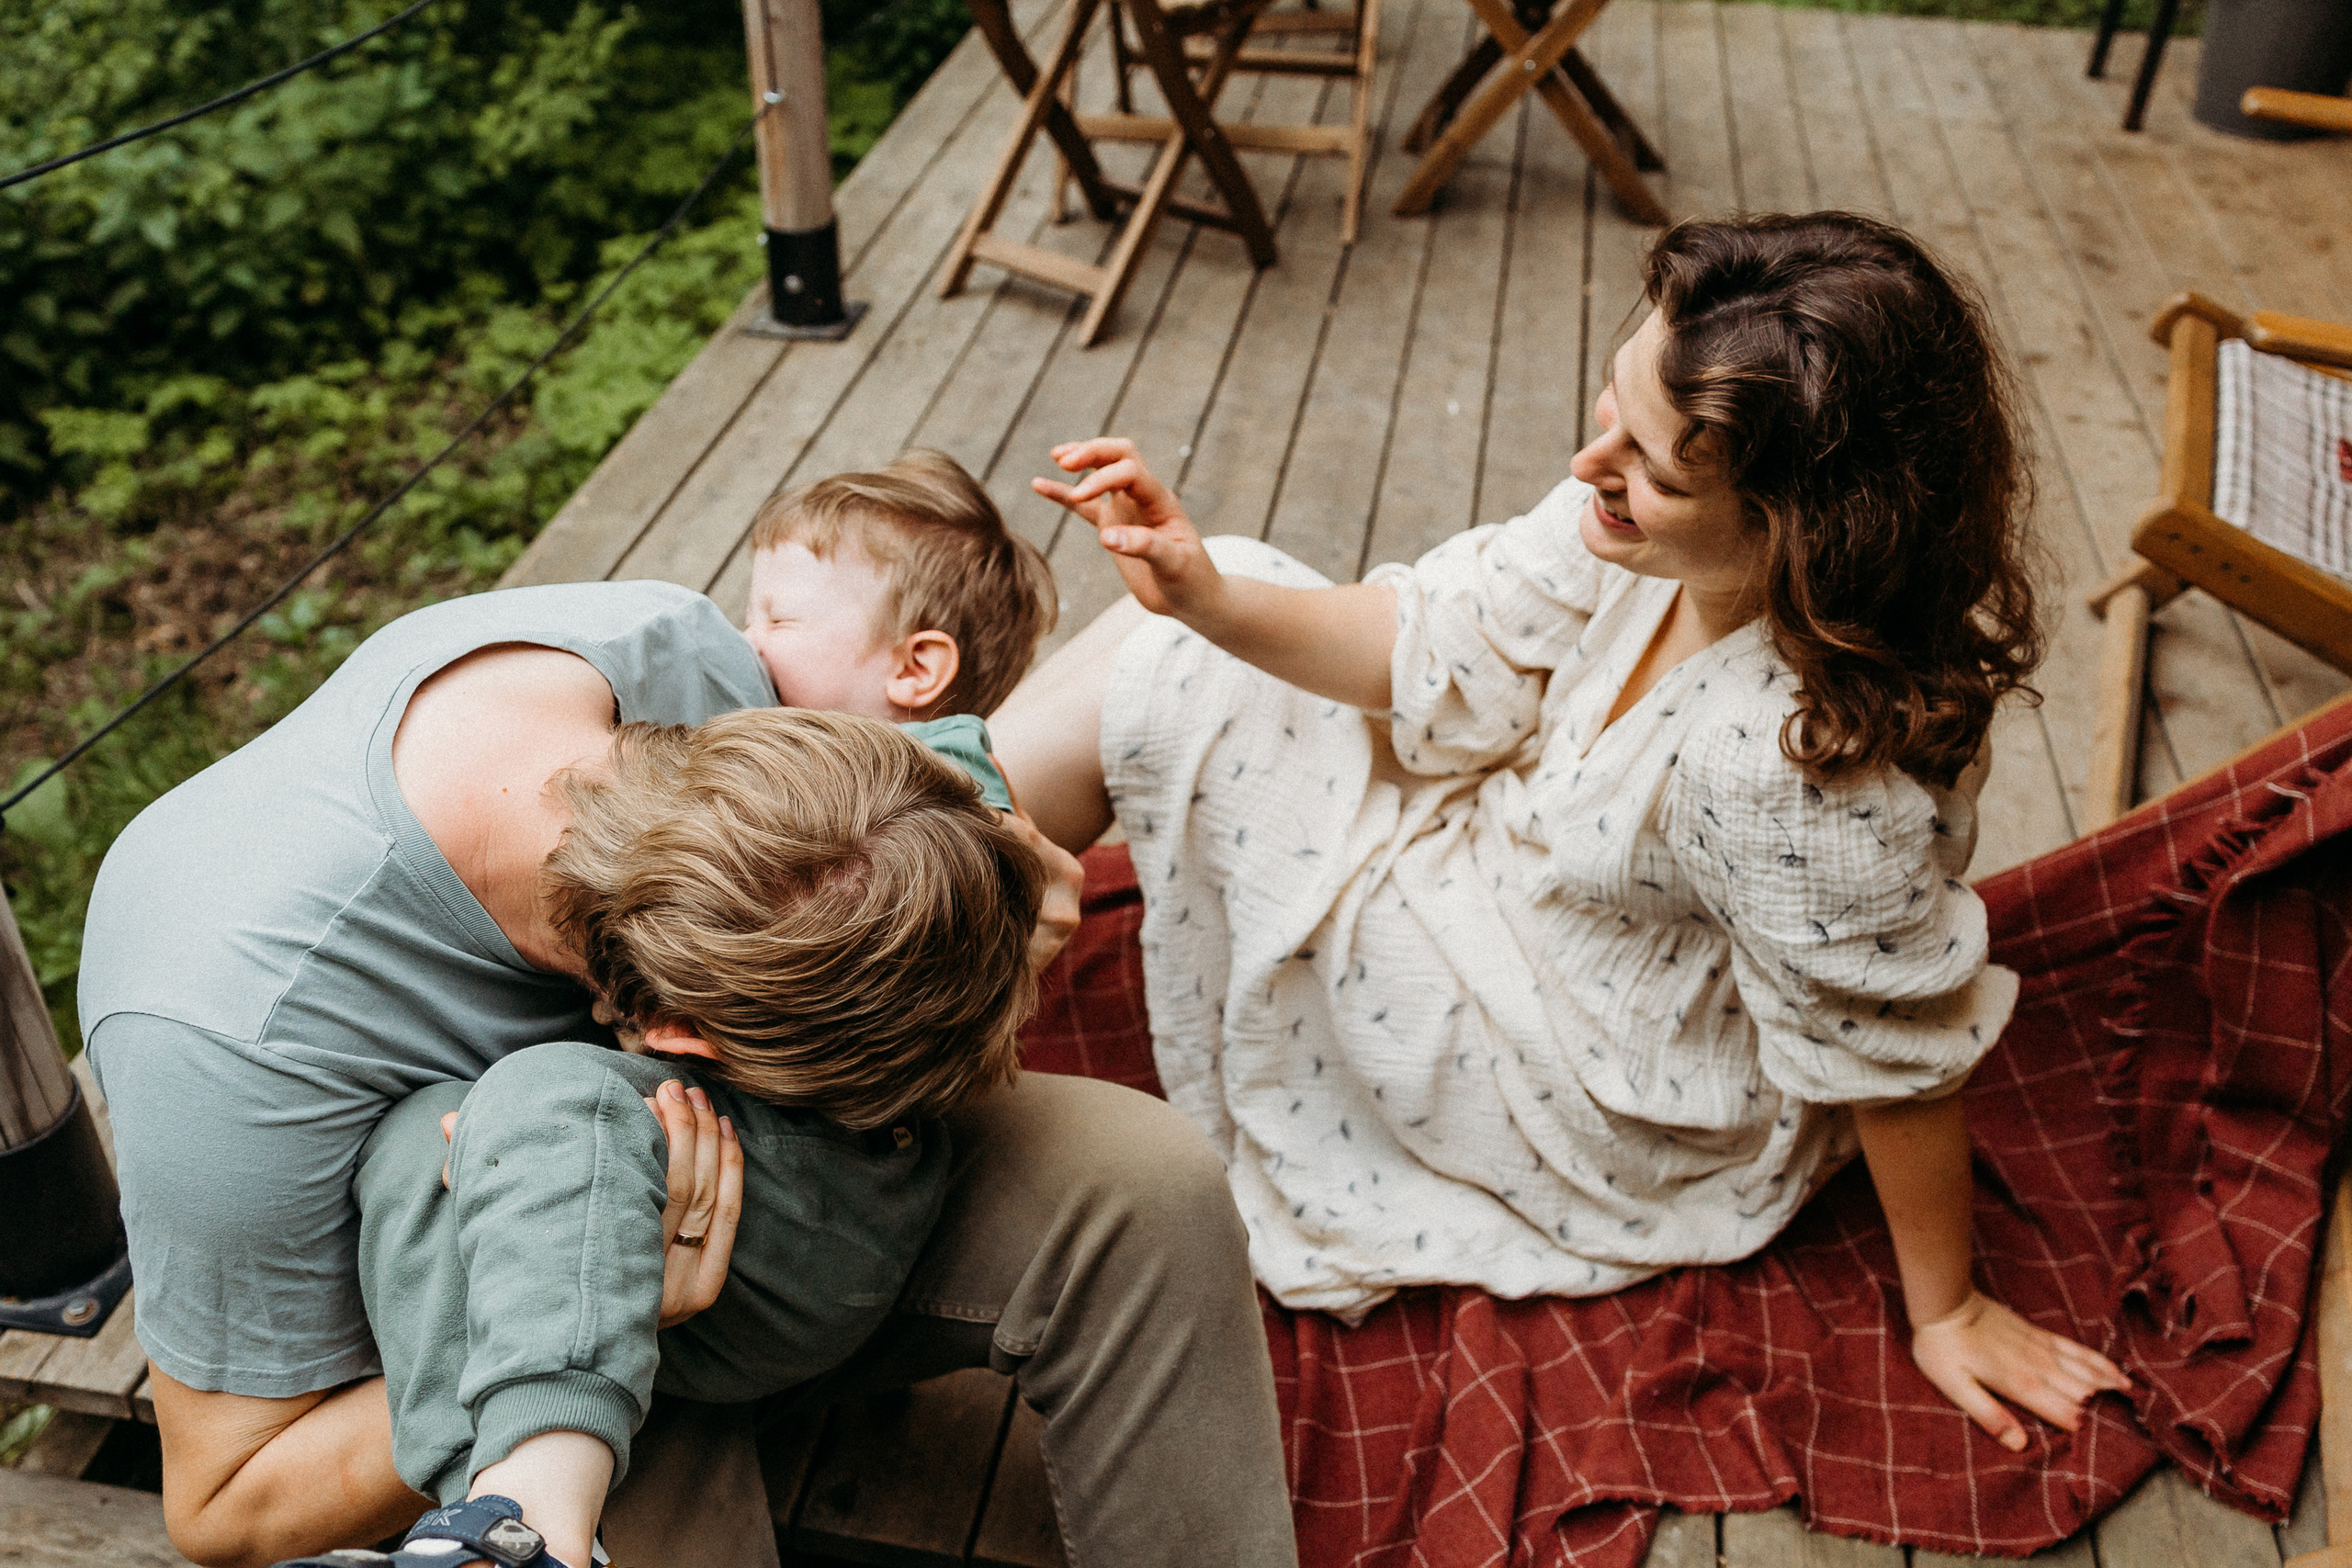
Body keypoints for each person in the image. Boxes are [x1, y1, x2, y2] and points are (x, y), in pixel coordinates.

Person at [989, 212, 2133, 1455]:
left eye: (1649, 464)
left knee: (1172, 677)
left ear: (1807, 529)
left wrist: (1949, 1308)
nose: (1592, 463)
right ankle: (871, 847)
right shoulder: (1642, 512)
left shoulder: (1795, 774)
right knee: (1213, 610)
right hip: (1506, 876)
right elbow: (1439, 636)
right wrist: (1204, 591)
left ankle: (862, 883)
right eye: (1611, 407)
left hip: (1577, 1078)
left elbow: (1888, 1060)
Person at [81, 449, 1297, 1568]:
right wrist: (594, 1312)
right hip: (496, 1350)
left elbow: (913, 819)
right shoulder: (227, 1040)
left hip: (739, 1216)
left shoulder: (684, 667)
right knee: (565, 1439)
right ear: (686, 1038)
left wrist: (991, 872)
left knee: (1141, 1182)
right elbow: (225, 1502)